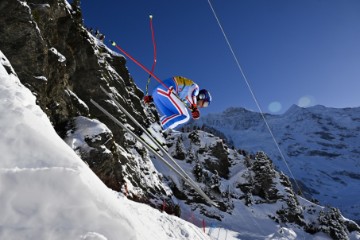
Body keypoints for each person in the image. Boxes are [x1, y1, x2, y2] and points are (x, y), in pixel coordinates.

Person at [144, 76, 212, 130]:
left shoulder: (185, 100)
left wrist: (152, 98)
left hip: (158, 93)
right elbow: (191, 94)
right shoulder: (195, 87)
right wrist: (194, 108)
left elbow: (173, 99)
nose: (202, 106)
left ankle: (152, 126)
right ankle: (157, 129)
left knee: (172, 116)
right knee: (184, 116)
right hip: (167, 89)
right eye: (204, 103)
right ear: (202, 96)